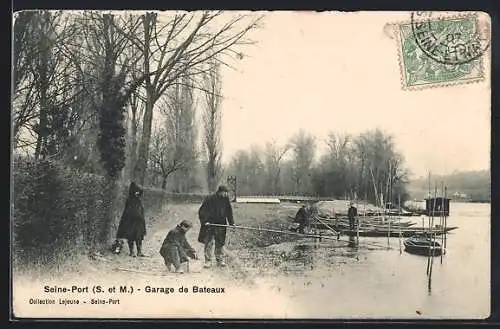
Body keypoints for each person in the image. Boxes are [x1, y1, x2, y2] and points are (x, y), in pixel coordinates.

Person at [198, 185, 234, 268]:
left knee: (220, 243)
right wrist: (205, 221)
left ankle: (220, 260)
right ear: (220, 192)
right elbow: (202, 211)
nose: (226, 194)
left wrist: (232, 223)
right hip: (210, 224)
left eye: (226, 193)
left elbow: (229, 212)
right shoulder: (210, 199)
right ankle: (208, 261)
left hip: (221, 224)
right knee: (209, 243)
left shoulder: (226, 200)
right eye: (225, 192)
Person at [115, 182, 147, 257]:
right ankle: (131, 252)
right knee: (131, 237)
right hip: (130, 222)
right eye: (136, 191)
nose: (137, 193)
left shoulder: (139, 200)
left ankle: (139, 251)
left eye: (138, 192)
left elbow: (141, 211)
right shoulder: (129, 200)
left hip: (138, 222)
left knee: (139, 237)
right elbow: (128, 212)